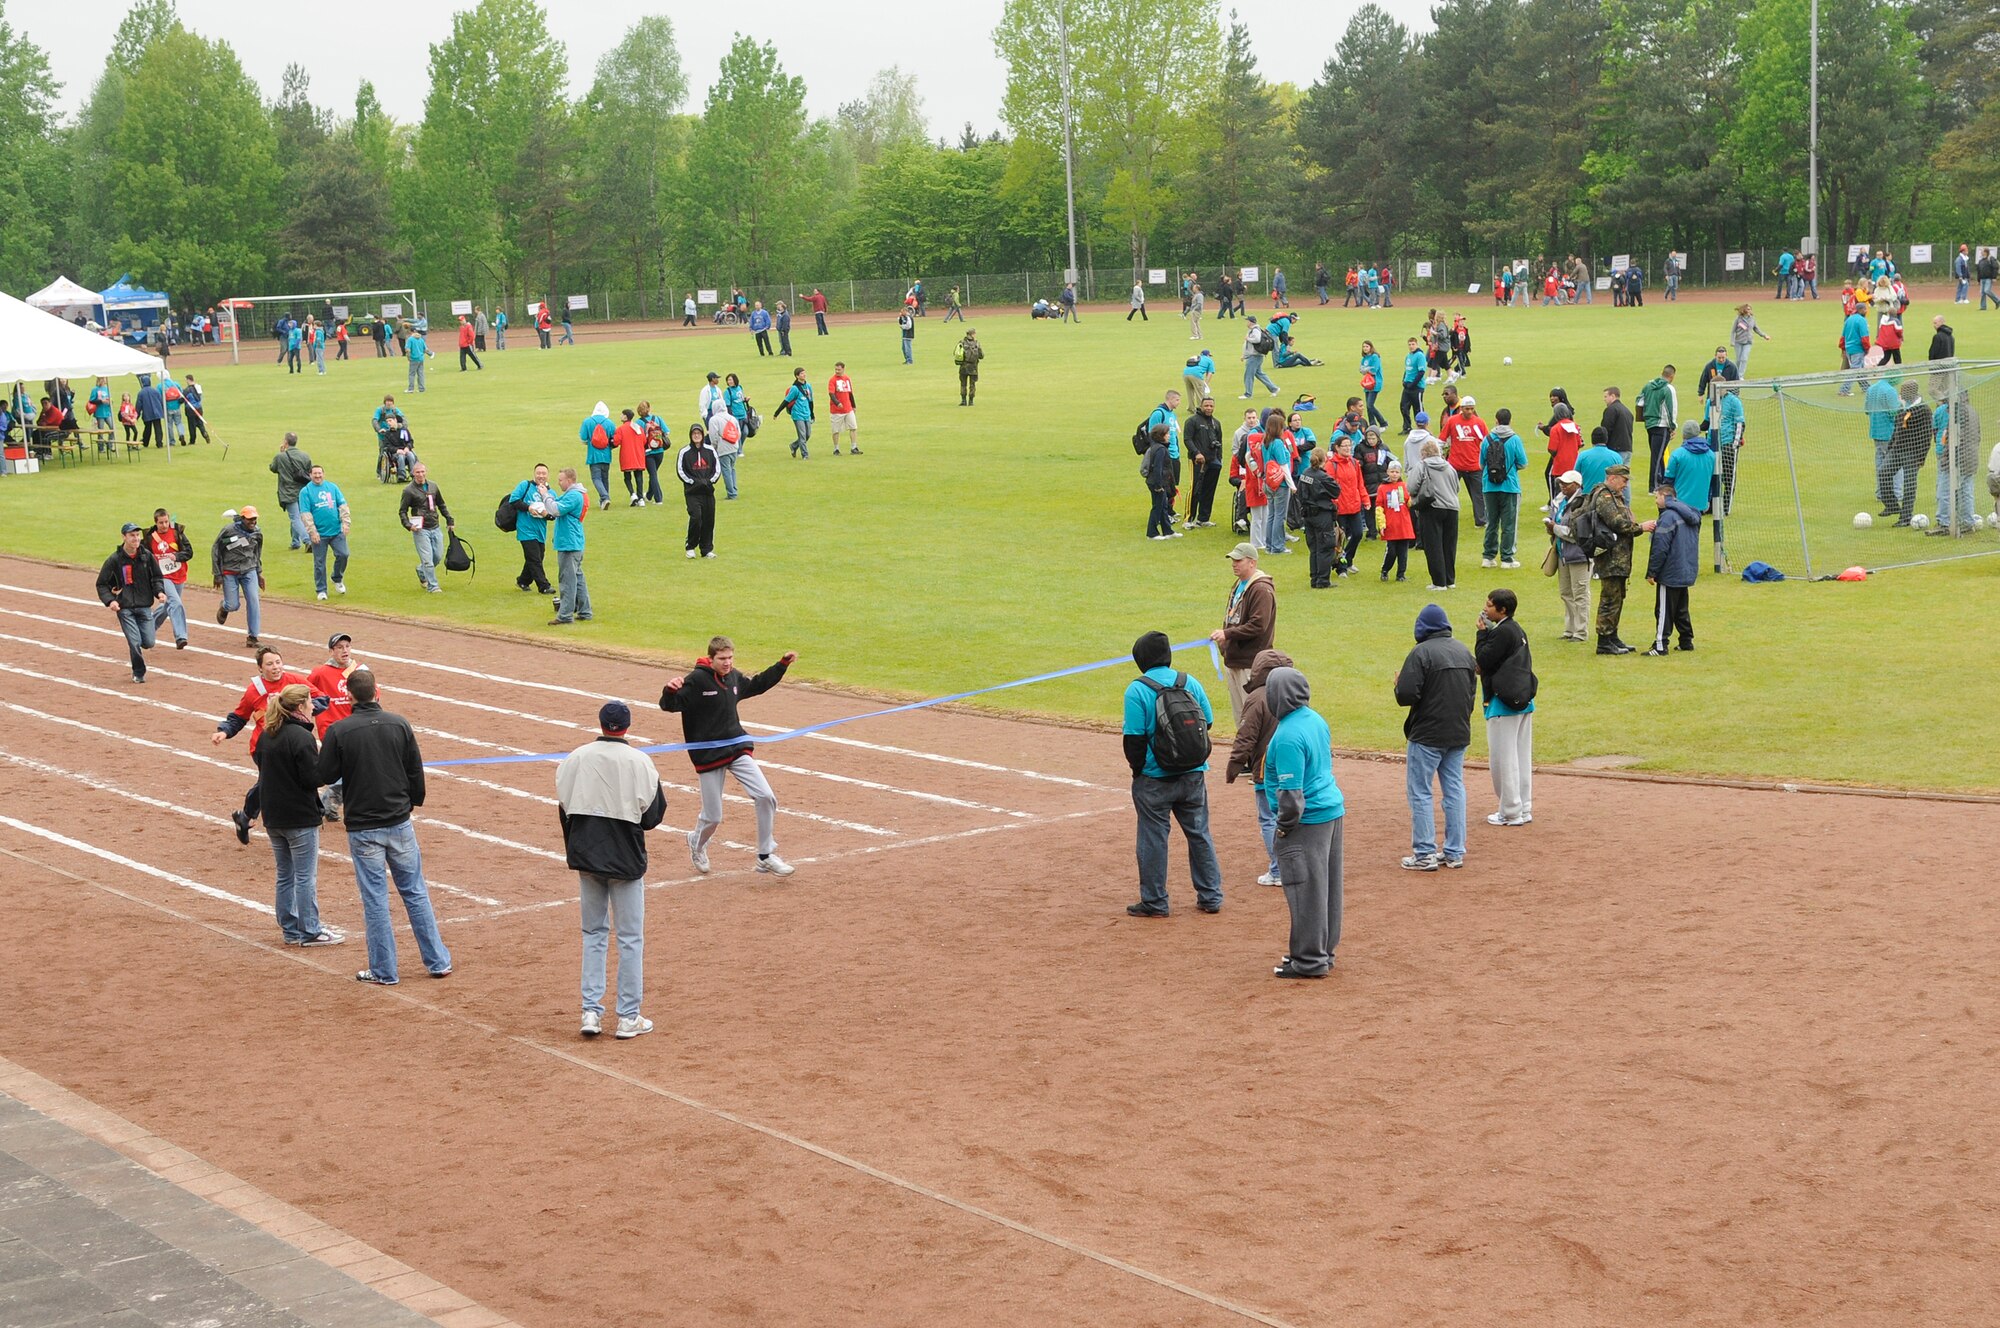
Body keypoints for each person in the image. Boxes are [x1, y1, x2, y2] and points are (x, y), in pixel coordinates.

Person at [317, 669, 451, 985]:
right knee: (416, 892)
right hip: (399, 821)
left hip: (364, 826)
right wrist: (412, 802)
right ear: (376, 693)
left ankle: (384, 970)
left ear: (348, 696)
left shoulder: (340, 730)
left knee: (375, 899)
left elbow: (324, 774)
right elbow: (414, 770)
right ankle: (438, 961)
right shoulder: (399, 723)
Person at [557, 701, 666, 1040]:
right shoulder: (640, 761)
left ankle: (591, 1011)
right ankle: (628, 1016)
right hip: (625, 858)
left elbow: (564, 807)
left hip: (587, 856)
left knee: (593, 934)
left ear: (601, 723)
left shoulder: (575, 757)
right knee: (630, 938)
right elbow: (653, 816)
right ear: (627, 726)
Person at [659, 637, 798, 877]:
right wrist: (669, 690)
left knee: (766, 796)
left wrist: (781, 665)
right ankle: (697, 842)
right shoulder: (696, 681)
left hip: (736, 748)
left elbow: (756, 685)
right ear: (711, 658)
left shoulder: (733, 677)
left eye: (731, 658)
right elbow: (670, 705)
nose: (728, 663)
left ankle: (765, 855)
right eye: (722, 659)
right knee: (713, 816)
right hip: (709, 754)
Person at [1120, 631, 1222, 917]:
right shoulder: (1190, 682)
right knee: (1199, 834)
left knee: (1153, 837)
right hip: (1193, 775)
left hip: (1154, 779)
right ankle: (1211, 896)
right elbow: (1208, 722)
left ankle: (1155, 901)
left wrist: (1139, 772)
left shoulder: (1137, 690)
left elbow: (1134, 740)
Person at [1259, 665, 1342, 977]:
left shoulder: (1288, 735)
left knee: (1305, 890)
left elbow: (1292, 795)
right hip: (1330, 811)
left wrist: (1282, 828)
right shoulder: (1314, 719)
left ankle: (1309, 961)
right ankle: (1322, 952)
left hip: (1306, 822)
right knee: (1326, 888)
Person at [257, 682, 344, 946]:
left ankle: (291, 929)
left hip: (274, 816)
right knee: (305, 876)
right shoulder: (302, 737)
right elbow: (312, 778)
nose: (313, 705)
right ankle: (310, 930)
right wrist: (331, 765)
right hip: (299, 816)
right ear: (299, 706)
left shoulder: (267, 733)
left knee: (285, 874)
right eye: (309, 701)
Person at [1395, 604, 1476, 871]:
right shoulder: (1464, 651)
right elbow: (1471, 695)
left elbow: (1406, 695)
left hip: (1427, 735)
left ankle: (1424, 854)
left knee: (1420, 792)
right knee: (1454, 789)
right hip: (1458, 732)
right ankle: (1454, 852)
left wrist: (1397, 684)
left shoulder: (1420, 653)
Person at [214, 646, 312, 843]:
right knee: (271, 781)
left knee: (278, 781)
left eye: (278, 662)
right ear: (260, 669)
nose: (275, 667)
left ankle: (247, 817)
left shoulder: (295, 681)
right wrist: (224, 731)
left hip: (292, 742)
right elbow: (239, 716)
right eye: (269, 664)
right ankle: (263, 819)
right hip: (264, 746)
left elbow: (320, 699)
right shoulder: (255, 690)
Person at [1225, 648, 1296, 891]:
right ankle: (1294, 866)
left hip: (1267, 769)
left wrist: (1234, 765)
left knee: (1269, 819)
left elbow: (1246, 736)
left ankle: (1278, 870)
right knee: (1293, 815)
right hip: (1295, 767)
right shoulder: (1295, 692)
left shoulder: (1256, 698)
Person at [1581, 464, 1654, 654]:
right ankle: (1604, 641)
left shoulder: (1612, 495)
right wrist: (1640, 527)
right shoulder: (1604, 497)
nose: (1626, 485)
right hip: (1611, 557)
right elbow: (1618, 523)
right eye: (1624, 480)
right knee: (1609, 599)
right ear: (1613, 478)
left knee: (1617, 597)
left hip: (1619, 557)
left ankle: (1612, 636)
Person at [1208, 542, 1277, 722]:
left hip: (1250, 663)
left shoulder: (1261, 589)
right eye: (1233, 560)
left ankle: (1257, 751)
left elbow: (1258, 625)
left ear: (1252, 562)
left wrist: (1227, 634)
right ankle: (1245, 750)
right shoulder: (1239, 584)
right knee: (1240, 718)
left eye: (1239, 560)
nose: (1234, 564)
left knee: (1252, 718)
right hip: (1234, 659)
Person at [97, 522, 165, 683]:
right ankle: (139, 672)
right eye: (132, 535)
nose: (136, 538)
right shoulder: (114, 560)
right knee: (134, 642)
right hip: (125, 608)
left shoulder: (146, 556)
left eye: (137, 535)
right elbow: (101, 584)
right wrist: (110, 601)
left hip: (144, 606)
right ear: (124, 537)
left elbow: (156, 577)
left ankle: (142, 650)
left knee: (148, 642)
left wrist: (159, 592)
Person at [1643, 483, 1701, 654]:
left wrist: (1652, 572)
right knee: (1681, 608)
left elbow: (1660, 547)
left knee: (1663, 610)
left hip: (1670, 571)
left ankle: (1660, 645)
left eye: (1656, 497)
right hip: (1686, 569)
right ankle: (1686, 641)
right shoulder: (1689, 512)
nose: (1655, 501)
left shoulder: (1668, 517)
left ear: (1664, 496)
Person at [1542, 471, 1591, 641]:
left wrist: (1554, 527)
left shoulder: (1583, 505)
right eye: (1561, 482)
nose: (1562, 485)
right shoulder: (1560, 501)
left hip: (1579, 555)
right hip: (1564, 553)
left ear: (1577, 485)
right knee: (1566, 593)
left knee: (1580, 594)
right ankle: (1570, 629)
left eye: (1567, 483)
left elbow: (1575, 534)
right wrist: (1550, 525)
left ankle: (1581, 632)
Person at [1479, 410, 1529, 568]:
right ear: (1510, 420)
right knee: (1509, 523)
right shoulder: (1515, 439)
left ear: (1496, 421)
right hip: (1509, 486)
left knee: (1491, 522)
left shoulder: (1487, 439)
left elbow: (1481, 464)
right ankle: (1507, 558)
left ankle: (1488, 556)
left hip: (1489, 486)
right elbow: (1523, 463)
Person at [1409, 439, 1461, 591]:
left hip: (1431, 507)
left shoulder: (1422, 465)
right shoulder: (1450, 467)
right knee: (1449, 545)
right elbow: (1456, 487)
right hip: (1452, 508)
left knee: (1433, 545)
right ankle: (1450, 580)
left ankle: (1438, 582)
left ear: (1423, 454)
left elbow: (1411, 487)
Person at [210, 506, 265, 648]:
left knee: (254, 600)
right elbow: (216, 549)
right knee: (233, 605)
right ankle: (224, 607)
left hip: (249, 570)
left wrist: (259, 572)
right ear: (242, 519)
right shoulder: (228, 530)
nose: (253, 522)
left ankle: (253, 637)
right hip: (230, 571)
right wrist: (217, 574)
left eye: (254, 519)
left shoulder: (257, 533)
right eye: (249, 519)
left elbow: (257, 553)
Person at [398, 461, 453, 594]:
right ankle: (433, 586)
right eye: (417, 472)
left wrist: (449, 519)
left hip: (435, 526)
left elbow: (441, 504)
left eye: (422, 471)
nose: (420, 474)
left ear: (426, 472)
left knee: (438, 556)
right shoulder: (408, 491)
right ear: (413, 473)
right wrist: (408, 525)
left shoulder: (433, 486)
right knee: (427, 560)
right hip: (420, 529)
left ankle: (421, 571)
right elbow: (402, 511)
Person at [298, 465, 351, 602]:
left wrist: (346, 523)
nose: (317, 476)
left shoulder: (332, 487)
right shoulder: (306, 492)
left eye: (319, 473)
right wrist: (312, 532)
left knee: (343, 554)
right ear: (310, 475)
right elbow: (305, 514)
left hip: (336, 530)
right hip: (319, 534)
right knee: (319, 563)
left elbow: (343, 506)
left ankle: (337, 578)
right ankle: (321, 590)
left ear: (324, 474)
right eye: (315, 473)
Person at [548, 468, 592, 625]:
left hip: (569, 543)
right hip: (573, 542)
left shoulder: (573, 495)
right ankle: (585, 611)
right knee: (578, 578)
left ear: (569, 480)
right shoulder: (575, 494)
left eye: (560, 480)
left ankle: (565, 615)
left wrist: (545, 496)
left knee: (567, 580)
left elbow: (555, 509)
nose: (558, 482)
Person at [1887, 380, 1932, 528]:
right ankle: (1892, 505)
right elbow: (1896, 429)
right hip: (1896, 451)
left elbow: (1926, 435)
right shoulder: (1902, 407)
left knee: (1909, 485)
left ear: (1911, 392)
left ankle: (1905, 517)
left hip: (1912, 454)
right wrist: (1890, 448)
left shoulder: (1923, 409)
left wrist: (1921, 457)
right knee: (1883, 473)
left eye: (1904, 391)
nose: (1901, 393)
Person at [505, 463, 556, 594]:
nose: (541, 476)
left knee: (537, 556)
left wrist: (546, 514)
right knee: (534, 558)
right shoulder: (525, 485)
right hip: (525, 529)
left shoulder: (550, 493)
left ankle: (523, 580)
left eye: (544, 473)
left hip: (540, 531)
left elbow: (554, 514)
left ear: (548, 475)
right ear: (534, 474)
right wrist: (529, 508)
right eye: (539, 473)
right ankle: (544, 586)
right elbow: (513, 500)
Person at [144, 509, 191, 650]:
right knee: (175, 603)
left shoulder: (177, 533)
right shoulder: (149, 538)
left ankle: (147, 630)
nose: (164, 525)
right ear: (156, 523)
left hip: (179, 575)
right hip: (162, 577)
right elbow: (143, 556)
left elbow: (189, 552)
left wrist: (176, 557)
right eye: (161, 523)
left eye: (166, 522)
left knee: (166, 606)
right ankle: (181, 636)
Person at [1296, 448, 1340, 586]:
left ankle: (1314, 578)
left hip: (1308, 515)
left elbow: (1299, 493)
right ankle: (1323, 579)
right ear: (1324, 460)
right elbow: (1336, 491)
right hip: (1322, 514)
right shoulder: (1323, 477)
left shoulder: (1305, 474)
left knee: (1314, 548)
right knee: (1325, 547)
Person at [678, 422, 719, 558]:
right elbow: (681, 471)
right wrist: (694, 482)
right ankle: (690, 546)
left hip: (707, 491)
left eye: (699, 434)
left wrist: (708, 481)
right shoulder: (685, 452)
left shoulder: (710, 450)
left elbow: (716, 469)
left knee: (709, 519)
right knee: (696, 517)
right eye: (694, 434)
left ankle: (706, 548)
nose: (696, 436)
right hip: (692, 492)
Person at [269, 433, 317, 550]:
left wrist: (281, 453)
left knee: (295, 518)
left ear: (286, 442)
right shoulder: (305, 456)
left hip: (288, 491)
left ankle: (307, 541)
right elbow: (309, 471)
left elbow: (273, 468)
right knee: (299, 516)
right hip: (303, 491)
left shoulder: (281, 457)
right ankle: (295, 542)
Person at [1183, 396, 1223, 528]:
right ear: (1201, 406)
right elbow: (1187, 439)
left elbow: (1220, 442)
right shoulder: (1192, 421)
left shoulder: (1216, 423)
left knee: (1209, 490)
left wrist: (1219, 458)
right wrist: (1197, 453)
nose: (1209, 408)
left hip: (1213, 461)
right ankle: (1188, 519)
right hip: (1197, 461)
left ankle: (1203, 518)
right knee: (1195, 488)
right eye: (1206, 405)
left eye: (1211, 406)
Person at [1638, 366, 1679, 490]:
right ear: (1672, 376)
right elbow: (1671, 409)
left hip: (1649, 425)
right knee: (1656, 456)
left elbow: (1639, 402)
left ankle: (1661, 482)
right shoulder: (1668, 389)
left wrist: (1644, 417)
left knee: (1658, 454)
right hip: (1662, 426)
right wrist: (1673, 426)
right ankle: (1654, 486)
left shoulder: (1648, 386)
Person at [1377, 460, 1416, 580]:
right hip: (1391, 524)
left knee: (1403, 553)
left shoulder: (1404, 486)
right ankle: (1385, 570)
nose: (1394, 474)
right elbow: (1379, 507)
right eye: (1392, 472)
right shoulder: (1382, 488)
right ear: (1388, 472)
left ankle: (1401, 574)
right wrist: (1381, 524)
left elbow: (1409, 503)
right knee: (1391, 551)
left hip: (1403, 524)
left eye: (1397, 472)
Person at [1142, 424, 1176, 540]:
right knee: (1158, 506)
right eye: (1167, 434)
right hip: (1157, 482)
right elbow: (1158, 468)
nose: (1169, 436)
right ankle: (1152, 533)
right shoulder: (1161, 449)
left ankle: (1168, 531)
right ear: (1161, 436)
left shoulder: (1156, 447)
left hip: (1155, 481)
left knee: (1163, 506)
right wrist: (1158, 485)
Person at [580, 401, 616, 506]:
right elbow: (614, 440)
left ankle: (605, 497)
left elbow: (583, 438)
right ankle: (604, 499)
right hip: (606, 455)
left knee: (596, 478)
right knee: (605, 478)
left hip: (593, 456)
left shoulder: (587, 422)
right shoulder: (610, 423)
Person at [613, 408, 648, 507]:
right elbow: (644, 441)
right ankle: (641, 498)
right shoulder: (638, 427)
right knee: (639, 477)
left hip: (627, 455)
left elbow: (616, 442)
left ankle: (633, 494)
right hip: (638, 455)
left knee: (627, 477)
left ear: (625, 416)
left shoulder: (621, 429)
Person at [777, 368, 815, 457]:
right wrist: (777, 412)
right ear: (797, 376)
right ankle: (805, 454)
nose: (804, 375)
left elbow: (811, 401)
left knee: (807, 434)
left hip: (807, 414)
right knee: (802, 435)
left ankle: (794, 446)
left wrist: (812, 414)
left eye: (804, 373)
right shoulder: (794, 388)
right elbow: (786, 401)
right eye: (801, 374)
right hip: (797, 415)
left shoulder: (808, 386)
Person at [827, 364, 862, 455]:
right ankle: (836, 449)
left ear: (843, 369)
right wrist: (837, 403)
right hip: (837, 410)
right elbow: (831, 394)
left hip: (848, 408)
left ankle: (854, 447)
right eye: (836, 369)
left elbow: (850, 393)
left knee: (853, 427)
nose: (837, 371)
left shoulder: (847, 379)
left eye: (839, 369)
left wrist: (853, 405)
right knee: (836, 430)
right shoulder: (832, 380)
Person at [1241, 316, 1279, 398]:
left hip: (1254, 356)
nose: (1246, 323)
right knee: (1259, 374)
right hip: (1256, 356)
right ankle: (1274, 388)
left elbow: (1257, 340)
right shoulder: (1254, 330)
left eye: (1247, 321)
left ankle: (1248, 394)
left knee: (1248, 375)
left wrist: (1248, 339)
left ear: (1251, 322)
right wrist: (1244, 355)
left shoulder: (1255, 330)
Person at [1729, 304, 1771, 376]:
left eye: (1750, 309)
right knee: (1738, 360)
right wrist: (1732, 341)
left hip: (1748, 342)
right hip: (1738, 341)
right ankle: (1735, 374)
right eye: (1748, 309)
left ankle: (1740, 375)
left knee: (1744, 358)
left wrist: (1764, 335)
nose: (1749, 311)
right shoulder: (1738, 319)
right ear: (1744, 310)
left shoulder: (1752, 319)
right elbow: (1733, 331)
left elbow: (1756, 329)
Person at [640, 407, 670, 505]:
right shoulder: (657, 418)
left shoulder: (639, 422)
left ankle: (658, 499)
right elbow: (667, 432)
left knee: (653, 475)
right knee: (654, 474)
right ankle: (649, 495)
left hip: (648, 452)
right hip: (660, 451)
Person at [956, 329, 985, 406]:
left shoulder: (961, 343)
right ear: (973, 334)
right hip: (973, 367)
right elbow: (981, 356)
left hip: (963, 367)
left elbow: (956, 354)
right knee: (972, 385)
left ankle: (963, 401)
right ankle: (971, 401)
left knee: (963, 384)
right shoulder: (976, 343)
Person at [135, 374, 164, 449]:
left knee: (148, 428)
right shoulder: (155, 391)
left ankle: (145, 442)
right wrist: (163, 411)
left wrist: (136, 416)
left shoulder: (141, 393)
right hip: (157, 412)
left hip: (147, 413)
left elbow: (138, 405)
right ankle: (159, 443)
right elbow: (161, 401)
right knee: (158, 428)